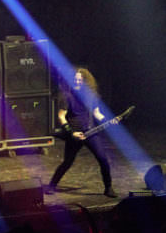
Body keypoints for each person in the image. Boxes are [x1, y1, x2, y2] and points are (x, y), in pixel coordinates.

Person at [45, 68, 117, 198]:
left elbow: (97, 113)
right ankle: (51, 186)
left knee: (103, 159)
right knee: (67, 162)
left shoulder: (91, 96)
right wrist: (71, 133)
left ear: (86, 81)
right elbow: (61, 116)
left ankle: (108, 188)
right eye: (75, 79)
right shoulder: (67, 96)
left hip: (90, 132)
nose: (77, 82)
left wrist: (108, 120)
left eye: (80, 80)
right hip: (74, 134)